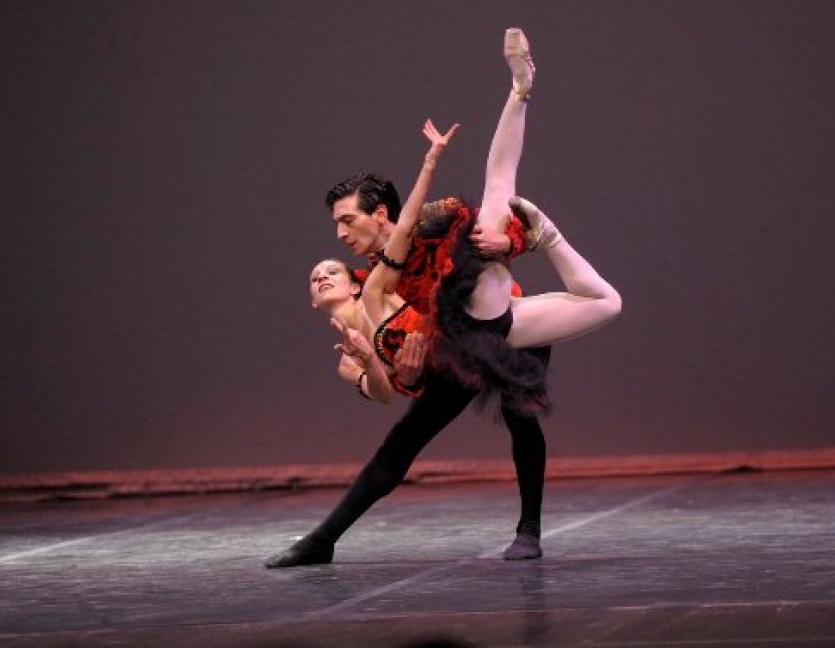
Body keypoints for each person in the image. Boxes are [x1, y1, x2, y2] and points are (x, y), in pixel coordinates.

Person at [265, 29, 619, 568]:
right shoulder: (372, 280)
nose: (340, 234)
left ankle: (529, 530)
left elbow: (491, 235)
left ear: (380, 214)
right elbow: (392, 359)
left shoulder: (431, 219)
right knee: (404, 441)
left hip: (502, 320)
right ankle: (321, 540)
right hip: (458, 346)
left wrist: (513, 238)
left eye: (347, 220)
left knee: (521, 413)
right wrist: (399, 374)